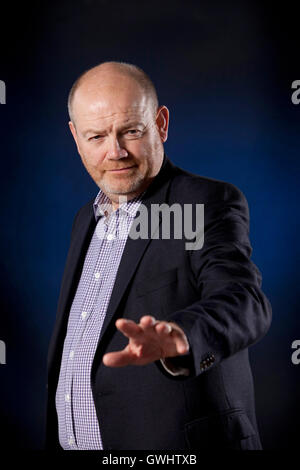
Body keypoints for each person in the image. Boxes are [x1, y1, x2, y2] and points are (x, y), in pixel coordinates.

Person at [46, 61, 272, 451]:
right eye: (96, 136)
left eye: (131, 131)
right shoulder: (86, 220)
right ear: (75, 138)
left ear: (160, 123)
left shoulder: (201, 204)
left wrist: (181, 336)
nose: (114, 152)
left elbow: (244, 303)